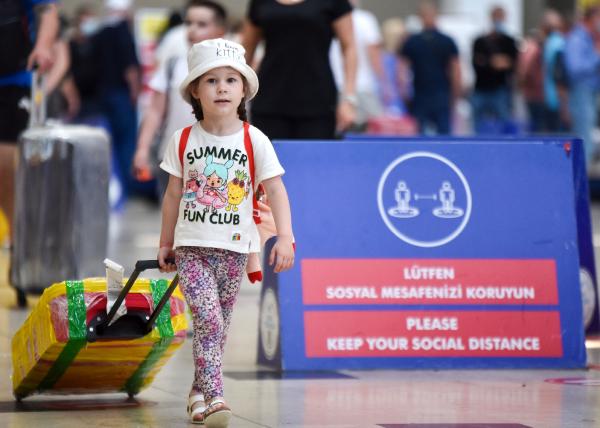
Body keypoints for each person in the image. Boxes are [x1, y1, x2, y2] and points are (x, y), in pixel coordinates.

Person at [157, 38, 294, 426]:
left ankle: (197, 392)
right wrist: (165, 242)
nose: (221, 88)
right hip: (192, 249)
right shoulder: (183, 139)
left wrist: (285, 236)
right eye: (211, 80)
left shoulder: (254, 139)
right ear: (195, 92)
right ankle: (216, 396)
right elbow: (172, 195)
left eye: (231, 80)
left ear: (243, 90)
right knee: (209, 320)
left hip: (234, 249)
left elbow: (277, 189)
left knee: (218, 326)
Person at [133, 0, 227, 200]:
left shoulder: (231, 71)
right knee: (171, 222)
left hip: (217, 159)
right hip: (173, 157)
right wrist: (142, 149)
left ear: (219, 31)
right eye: (188, 23)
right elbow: (155, 110)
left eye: (201, 24)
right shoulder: (173, 64)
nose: (192, 30)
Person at [241, 0, 357, 140]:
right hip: (269, 97)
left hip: (318, 99)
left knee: (314, 159)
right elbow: (246, 50)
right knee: (268, 159)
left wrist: (348, 99)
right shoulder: (260, 3)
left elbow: (349, 47)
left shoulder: (333, 2)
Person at [0, 0, 59, 245]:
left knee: (6, 160)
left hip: (14, 78)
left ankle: (18, 236)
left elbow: (48, 10)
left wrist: (43, 46)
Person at [94, 0, 141, 197]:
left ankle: (112, 186)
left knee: (109, 141)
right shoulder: (122, 32)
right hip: (121, 96)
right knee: (126, 143)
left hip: (103, 95)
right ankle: (126, 187)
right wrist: (135, 92)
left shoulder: (99, 33)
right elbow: (130, 68)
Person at [399, 1, 461, 135]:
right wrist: (456, 95)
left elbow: (401, 72)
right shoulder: (446, 41)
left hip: (430, 94)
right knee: (440, 135)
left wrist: (404, 93)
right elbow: (456, 71)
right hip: (432, 94)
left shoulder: (413, 41)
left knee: (424, 135)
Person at [329, 0, 384, 129]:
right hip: (361, 86)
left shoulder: (328, 15)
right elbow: (374, 55)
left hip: (339, 85)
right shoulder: (365, 19)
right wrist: (383, 82)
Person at [471, 6, 519, 133]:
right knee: (477, 125)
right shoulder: (480, 41)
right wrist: (495, 62)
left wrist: (489, 62)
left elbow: (512, 64)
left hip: (500, 90)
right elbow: (477, 63)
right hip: (480, 90)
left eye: (500, 16)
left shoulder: (509, 41)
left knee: (504, 123)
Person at [565, 6, 600, 163]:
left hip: (590, 90)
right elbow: (575, 68)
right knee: (583, 134)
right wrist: (597, 57)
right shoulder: (577, 39)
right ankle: (582, 174)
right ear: (590, 18)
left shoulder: (590, 38)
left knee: (588, 132)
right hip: (581, 91)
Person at [542, 9, 569, 132]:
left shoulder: (555, 43)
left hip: (555, 97)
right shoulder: (558, 42)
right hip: (554, 97)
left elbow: (559, 73)